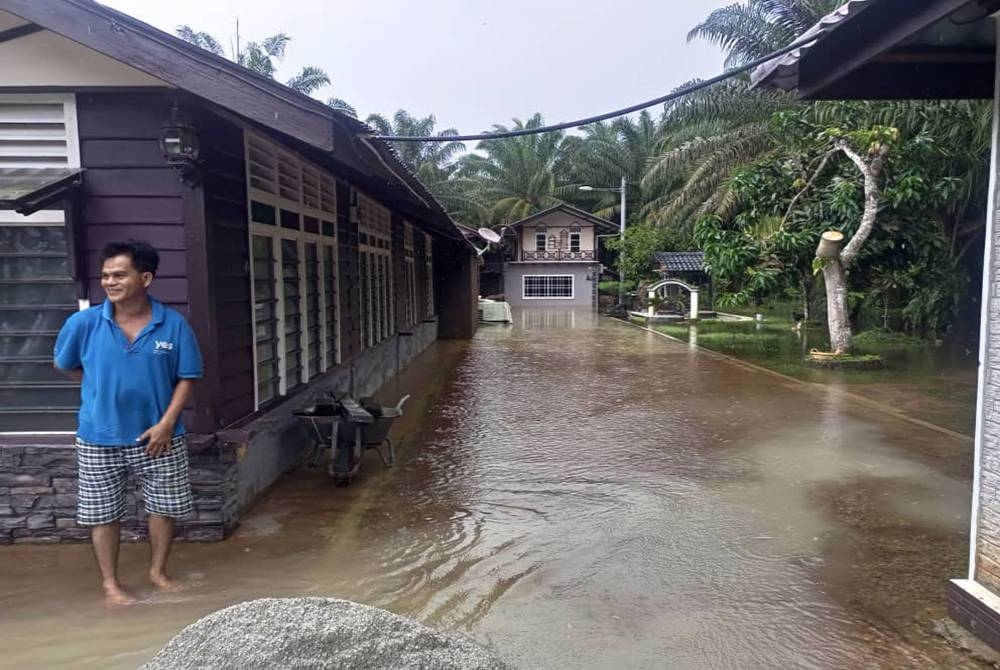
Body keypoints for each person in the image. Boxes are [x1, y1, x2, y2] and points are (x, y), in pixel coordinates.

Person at [53, 240, 203, 605]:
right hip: (97, 436)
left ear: (146, 277)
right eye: (105, 275)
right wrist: (98, 389)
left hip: (160, 436)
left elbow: (188, 376)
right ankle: (111, 584)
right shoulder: (83, 323)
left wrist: (168, 422)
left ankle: (157, 572)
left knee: (164, 508)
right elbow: (66, 364)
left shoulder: (173, 324)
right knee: (103, 513)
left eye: (119, 274)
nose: (109, 281)